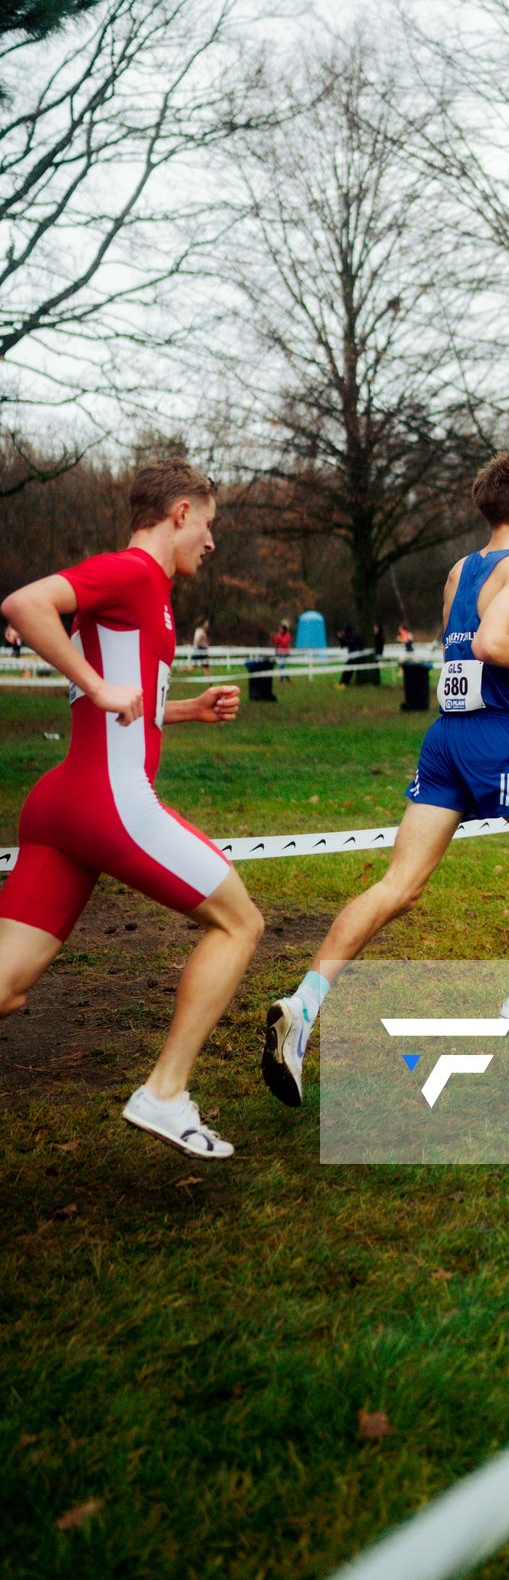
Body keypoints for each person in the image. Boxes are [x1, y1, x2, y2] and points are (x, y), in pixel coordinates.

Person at [261, 452, 509, 1107]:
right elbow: (492, 645)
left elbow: (467, 645)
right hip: (497, 737)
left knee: (400, 885)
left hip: (446, 738)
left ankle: (303, 1005)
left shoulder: (459, 571)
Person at [0, 461, 263, 1159]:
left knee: (6, 988)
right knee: (240, 923)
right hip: (108, 803)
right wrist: (94, 685)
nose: (212, 542)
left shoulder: (150, 594)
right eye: (208, 525)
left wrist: (186, 710)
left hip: (64, 804)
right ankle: (165, 1093)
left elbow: (128, 700)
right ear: (180, 513)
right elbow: (24, 605)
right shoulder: (134, 571)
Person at [271, 619, 292, 685]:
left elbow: (284, 643)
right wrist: (273, 637)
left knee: (281, 666)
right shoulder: (279, 634)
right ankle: (287, 678)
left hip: (285, 653)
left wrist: (278, 637)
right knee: (281, 666)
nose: (280, 630)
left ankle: (282, 680)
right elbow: (276, 642)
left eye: (281, 629)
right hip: (279, 652)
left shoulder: (287, 635)